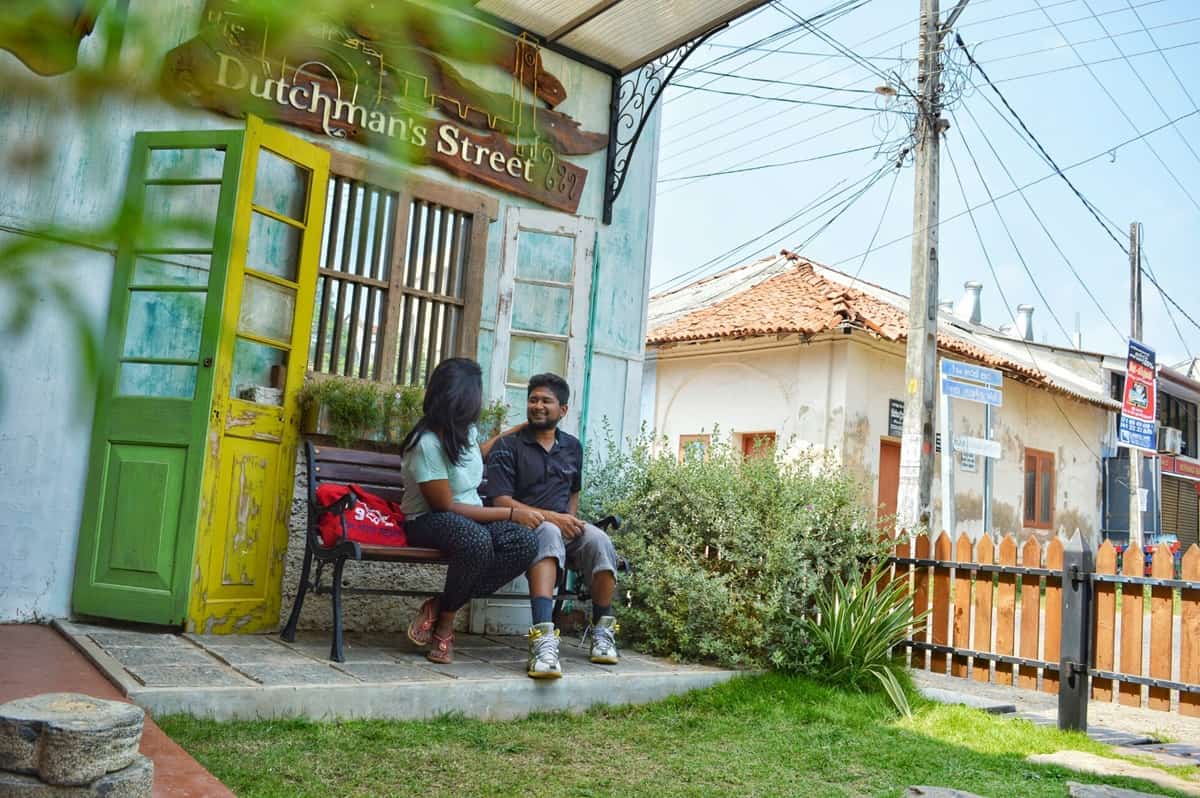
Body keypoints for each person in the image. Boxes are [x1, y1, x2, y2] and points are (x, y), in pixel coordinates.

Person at [399, 358, 543, 665]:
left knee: (525, 543)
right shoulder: (426, 444)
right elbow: (445, 506)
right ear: (462, 400)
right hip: (426, 521)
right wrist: (509, 514)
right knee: (477, 542)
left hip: (468, 519)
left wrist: (511, 432)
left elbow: (471, 458)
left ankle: (441, 607)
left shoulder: (464, 431)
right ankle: (446, 626)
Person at [484, 373, 620, 679]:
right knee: (547, 532)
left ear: (563, 410)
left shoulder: (572, 447)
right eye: (533, 400)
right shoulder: (509, 446)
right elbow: (500, 501)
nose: (537, 406)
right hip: (518, 527)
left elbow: (573, 490)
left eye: (546, 401)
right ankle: (543, 642)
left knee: (598, 539)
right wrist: (554, 519)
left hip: (560, 527)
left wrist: (569, 519)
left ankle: (602, 633)